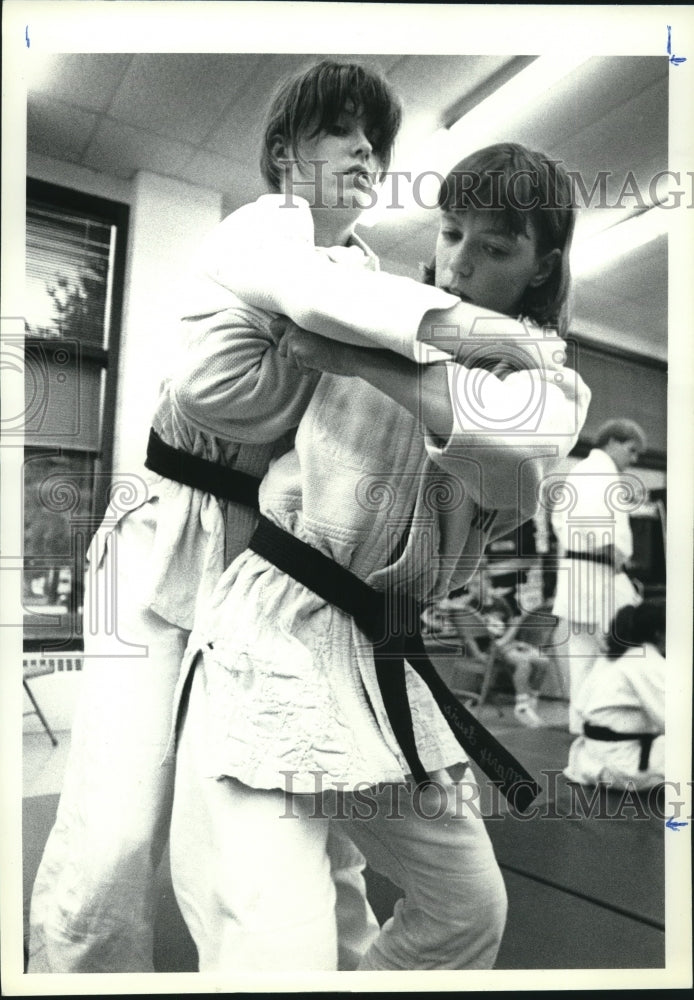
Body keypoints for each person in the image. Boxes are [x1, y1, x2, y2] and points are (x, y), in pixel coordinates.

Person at [28, 61, 568, 975]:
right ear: (285, 154)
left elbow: (501, 431)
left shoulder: (366, 274)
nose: (366, 152)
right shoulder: (269, 233)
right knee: (119, 820)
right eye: (342, 132)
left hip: (278, 562)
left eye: (377, 141)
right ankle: (72, 971)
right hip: (171, 530)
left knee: (336, 851)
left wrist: (498, 358)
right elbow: (299, 326)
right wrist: (493, 336)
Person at [167, 141, 591, 971]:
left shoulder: (548, 382)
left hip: (377, 654)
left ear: (542, 268)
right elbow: (209, 373)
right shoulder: (369, 304)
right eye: (453, 232)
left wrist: (353, 358)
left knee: (467, 911)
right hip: (271, 629)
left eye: (496, 247)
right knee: (273, 943)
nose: (459, 261)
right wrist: (372, 325)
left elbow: (510, 437)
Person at [551, 417, 648, 733]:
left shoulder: (582, 471)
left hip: (583, 572)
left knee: (584, 653)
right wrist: (616, 556)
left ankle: (582, 724)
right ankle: (605, 721)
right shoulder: (598, 472)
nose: (633, 460)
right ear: (613, 442)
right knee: (617, 649)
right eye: (631, 450)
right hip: (598, 573)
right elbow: (598, 527)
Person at [564, 599, 665, 790]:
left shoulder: (610, 658)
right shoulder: (648, 660)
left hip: (589, 762)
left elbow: (579, 706)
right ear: (659, 632)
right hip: (626, 766)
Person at [443, 564, 552, 728]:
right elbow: (468, 635)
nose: (475, 589)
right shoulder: (468, 607)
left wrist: (510, 642)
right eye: (471, 585)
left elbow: (513, 623)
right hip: (489, 649)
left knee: (543, 660)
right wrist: (479, 653)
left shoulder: (499, 602)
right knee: (523, 663)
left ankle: (531, 701)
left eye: (478, 584)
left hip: (506, 643)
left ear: (488, 583)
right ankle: (522, 706)